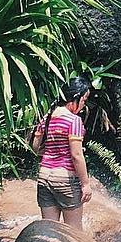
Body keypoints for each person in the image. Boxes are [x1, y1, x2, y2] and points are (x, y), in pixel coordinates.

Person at [32, 76, 93, 227]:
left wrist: (52, 151)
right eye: (84, 100)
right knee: (74, 231)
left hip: (44, 177)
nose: (84, 105)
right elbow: (76, 155)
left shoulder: (47, 117)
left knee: (50, 230)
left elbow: (35, 147)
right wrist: (85, 184)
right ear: (75, 97)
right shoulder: (74, 120)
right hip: (65, 180)